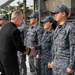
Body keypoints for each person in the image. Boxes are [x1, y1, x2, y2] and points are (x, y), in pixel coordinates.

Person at [0, 11, 27, 75]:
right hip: (10, 61)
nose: (22, 21)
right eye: (22, 19)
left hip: (3, 59)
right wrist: (29, 50)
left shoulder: (4, 27)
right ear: (17, 19)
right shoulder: (14, 30)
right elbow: (19, 47)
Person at [50, 5, 75, 75]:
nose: (55, 15)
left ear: (63, 14)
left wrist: (71, 66)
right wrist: (52, 60)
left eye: (57, 13)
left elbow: (73, 47)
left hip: (65, 67)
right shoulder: (58, 28)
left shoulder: (70, 28)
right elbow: (54, 46)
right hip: (56, 65)